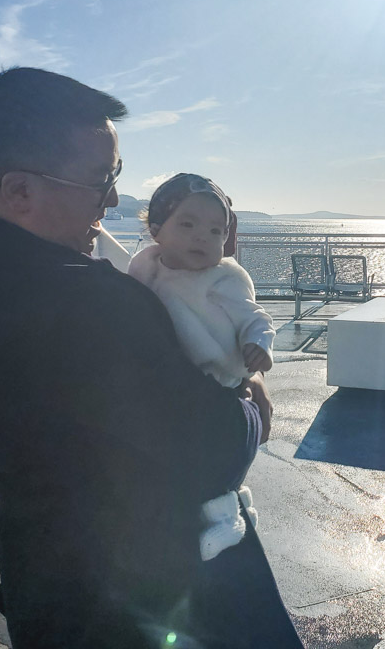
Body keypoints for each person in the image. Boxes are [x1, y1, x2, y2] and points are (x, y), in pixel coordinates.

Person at [0, 66, 303, 648]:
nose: (114, 199)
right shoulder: (86, 302)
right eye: (99, 179)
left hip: (48, 576)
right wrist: (248, 401)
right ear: (20, 191)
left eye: (115, 174)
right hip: (132, 601)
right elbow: (211, 450)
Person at [127, 174, 274, 562]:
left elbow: (255, 316)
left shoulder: (225, 276)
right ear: (156, 230)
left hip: (222, 381)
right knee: (203, 466)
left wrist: (259, 345)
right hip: (181, 381)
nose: (202, 238)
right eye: (188, 225)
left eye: (215, 231)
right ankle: (235, 504)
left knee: (215, 459)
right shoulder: (145, 267)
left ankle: (227, 523)